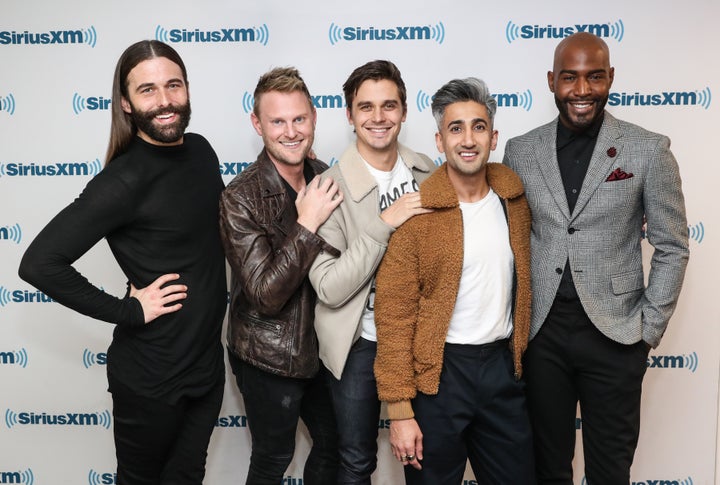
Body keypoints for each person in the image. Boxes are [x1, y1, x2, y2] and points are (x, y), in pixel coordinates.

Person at [18, 40, 227, 484]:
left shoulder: (203, 152)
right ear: (126, 104)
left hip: (206, 368)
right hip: (152, 377)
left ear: (188, 89)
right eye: (147, 90)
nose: (165, 100)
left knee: (188, 476)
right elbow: (39, 263)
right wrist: (129, 310)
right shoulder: (123, 180)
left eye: (173, 85)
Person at [502, 32, 690, 484]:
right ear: (551, 81)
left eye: (594, 77)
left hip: (616, 335)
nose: (582, 90)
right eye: (570, 78)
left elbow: (672, 245)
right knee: (549, 468)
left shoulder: (648, 149)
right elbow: (509, 239)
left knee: (610, 470)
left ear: (611, 79)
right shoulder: (520, 151)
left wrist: (648, 329)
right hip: (542, 336)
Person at [372, 77, 535, 484]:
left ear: (494, 138)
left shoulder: (514, 201)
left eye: (478, 127)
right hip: (440, 378)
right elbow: (393, 315)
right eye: (455, 128)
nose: (468, 139)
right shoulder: (418, 215)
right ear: (440, 141)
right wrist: (400, 411)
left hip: (502, 369)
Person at [308, 59, 436, 484]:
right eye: (365, 107)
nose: (378, 118)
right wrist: (385, 222)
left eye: (389, 106)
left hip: (421, 338)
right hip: (358, 342)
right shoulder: (326, 188)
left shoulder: (430, 174)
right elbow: (329, 287)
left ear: (404, 110)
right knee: (356, 461)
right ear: (349, 115)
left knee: (425, 454)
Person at [219, 67, 341, 485]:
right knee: (274, 458)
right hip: (268, 355)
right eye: (277, 121)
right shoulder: (239, 197)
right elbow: (265, 295)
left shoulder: (326, 176)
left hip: (324, 348)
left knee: (336, 446)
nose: (291, 132)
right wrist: (306, 225)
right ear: (258, 125)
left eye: (299, 119)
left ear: (314, 118)